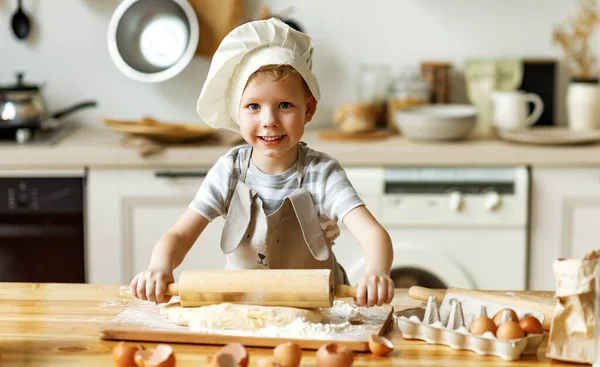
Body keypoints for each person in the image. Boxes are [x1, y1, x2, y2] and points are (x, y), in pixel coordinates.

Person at [130, 18, 394, 308]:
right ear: (237, 112)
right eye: (253, 106)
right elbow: (179, 234)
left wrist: (376, 272)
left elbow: (372, 234)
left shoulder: (322, 174)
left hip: (318, 309)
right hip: (243, 305)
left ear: (308, 109)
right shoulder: (230, 171)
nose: (269, 120)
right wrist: (159, 267)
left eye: (284, 105)